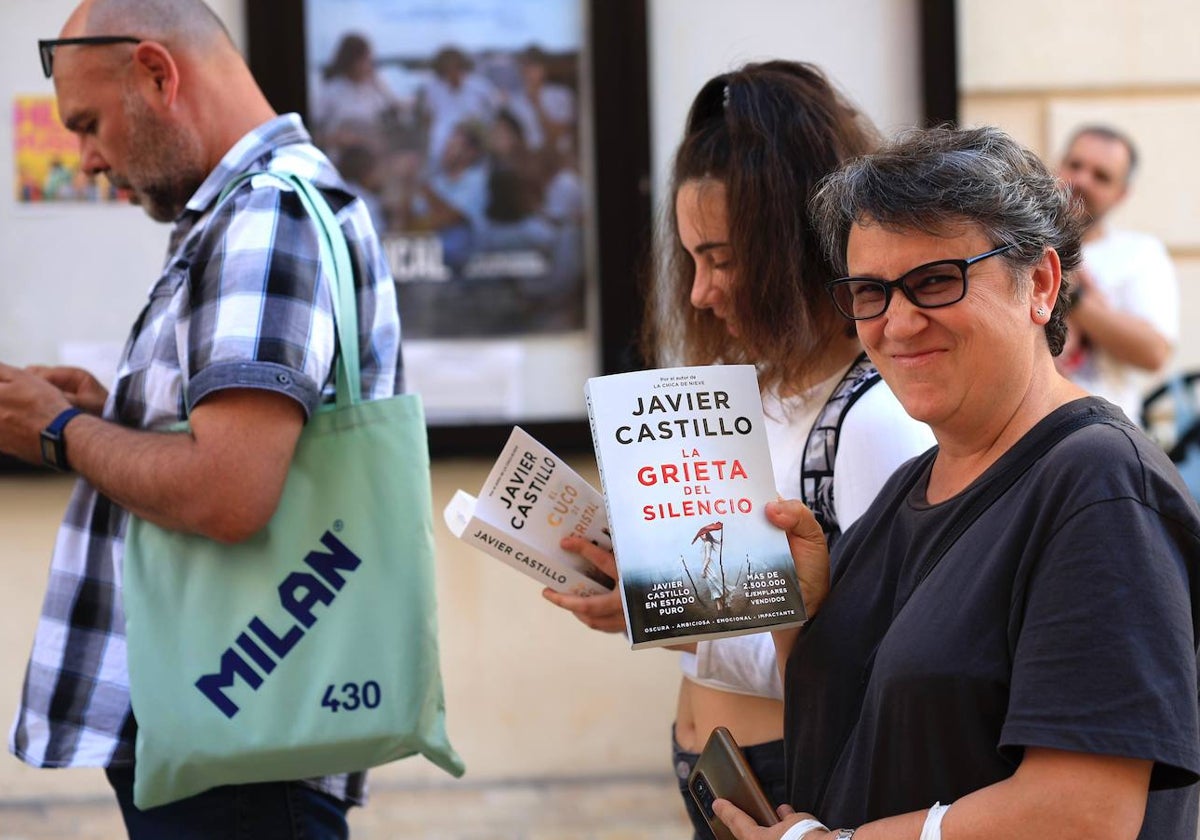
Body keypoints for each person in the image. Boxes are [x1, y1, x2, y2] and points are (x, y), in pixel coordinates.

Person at [713, 125, 1200, 840]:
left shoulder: (1098, 486)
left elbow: (1084, 814)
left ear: (1038, 284)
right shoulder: (914, 483)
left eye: (936, 281)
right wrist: (802, 616)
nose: (898, 323)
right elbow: (862, 733)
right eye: (870, 292)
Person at [1, 1, 402, 837]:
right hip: (236, 722)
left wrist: (60, 431)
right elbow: (242, 454)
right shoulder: (261, 211)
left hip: (237, 735)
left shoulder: (267, 218)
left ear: (156, 73)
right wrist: (111, 415)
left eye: (88, 123)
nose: (86, 158)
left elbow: (229, 492)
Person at [541, 61, 933, 840]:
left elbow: (869, 671)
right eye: (690, 259)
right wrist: (651, 605)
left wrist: (682, 624)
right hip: (721, 773)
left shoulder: (875, 418)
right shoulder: (751, 387)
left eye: (721, 258)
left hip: (793, 788)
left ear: (797, 248)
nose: (698, 293)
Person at [1054, 124, 1179, 424]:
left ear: (1121, 193)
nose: (1082, 180)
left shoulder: (1140, 254)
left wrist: (1075, 297)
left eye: (1101, 176)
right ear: (1058, 167)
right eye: (1075, 165)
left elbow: (1153, 353)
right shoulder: (1017, 244)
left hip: (1101, 431)